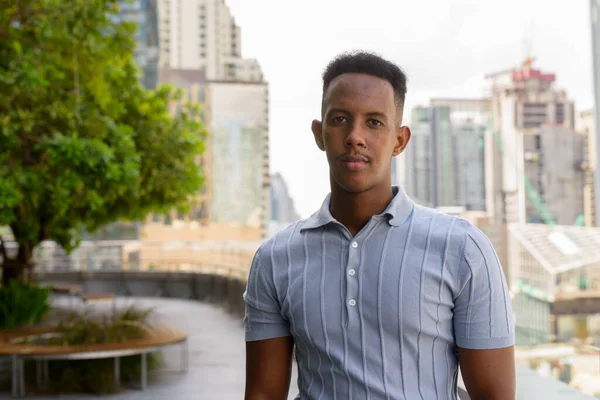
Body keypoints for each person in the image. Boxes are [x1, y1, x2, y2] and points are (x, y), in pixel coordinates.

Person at [243, 51, 515, 400]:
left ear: (400, 140)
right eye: (340, 119)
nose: (355, 136)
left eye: (374, 122)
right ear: (319, 133)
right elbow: (263, 394)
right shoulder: (274, 258)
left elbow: (495, 395)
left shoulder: (462, 249)